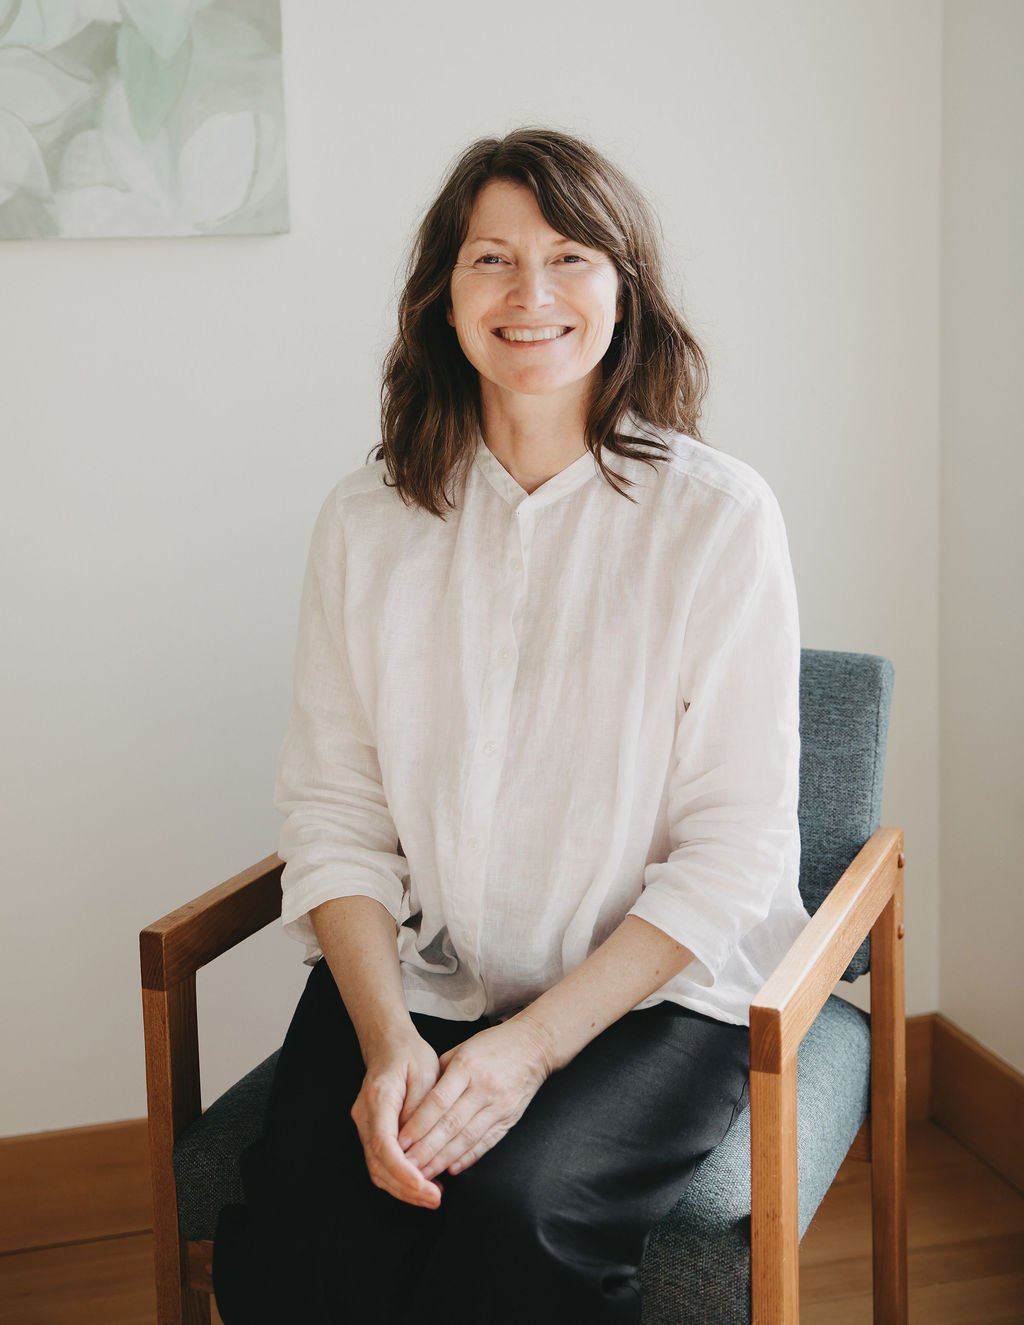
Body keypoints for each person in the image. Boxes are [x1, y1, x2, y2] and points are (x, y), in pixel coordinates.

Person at [212, 125, 810, 1325]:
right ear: (442, 296)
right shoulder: (366, 518)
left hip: (650, 997)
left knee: (515, 1215)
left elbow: (736, 849)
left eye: (572, 255)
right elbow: (335, 808)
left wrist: (527, 1048)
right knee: (304, 1225)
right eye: (491, 259)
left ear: (623, 289)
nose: (530, 294)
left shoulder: (716, 518)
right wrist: (389, 1040)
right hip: (421, 972)